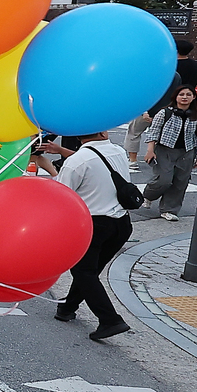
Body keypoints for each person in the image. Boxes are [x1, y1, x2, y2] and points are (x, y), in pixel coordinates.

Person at [36, 131, 134, 342]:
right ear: (103, 132)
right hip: (122, 224)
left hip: (93, 224)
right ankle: (67, 308)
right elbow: (93, 159)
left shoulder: (77, 161)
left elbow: (61, 196)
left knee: (83, 271)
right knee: (90, 271)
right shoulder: (118, 151)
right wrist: (61, 151)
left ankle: (110, 320)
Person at [142, 83, 197, 221]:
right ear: (176, 97)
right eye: (181, 94)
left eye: (188, 95)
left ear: (194, 97)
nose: (185, 97)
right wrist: (150, 150)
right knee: (164, 179)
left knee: (180, 182)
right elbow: (153, 132)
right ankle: (148, 195)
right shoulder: (165, 113)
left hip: (187, 152)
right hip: (165, 149)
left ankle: (169, 210)